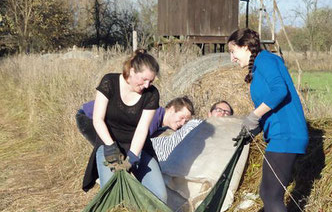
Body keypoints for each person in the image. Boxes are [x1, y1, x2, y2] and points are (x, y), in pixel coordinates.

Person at [227, 28, 309, 212]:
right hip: (279, 134)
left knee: (271, 193)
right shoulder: (256, 69)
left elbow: (279, 91)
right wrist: (254, 129)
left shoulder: (266, 59)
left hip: (287, 134)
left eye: (233, 51)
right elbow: (270, 107)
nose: (231, 58)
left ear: (245, 46)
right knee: (268, 192)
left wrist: (254, 115)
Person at [82, 49, 168, 203]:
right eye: (144, 79)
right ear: (132, 71)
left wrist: (133, 158)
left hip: (137, 147)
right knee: (112, 194)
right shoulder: (109, 82)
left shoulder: (151, 94)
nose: (147, 85)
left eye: (151, 81)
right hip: (109, 145)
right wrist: (110, 147)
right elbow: (98, 119)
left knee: (159, 196)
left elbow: (142, 129)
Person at [76, 96, 194, 145]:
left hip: (96, 118)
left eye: (186, 121)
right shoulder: (152, 118)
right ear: (172, 109)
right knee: (108, 152)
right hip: (89, 117)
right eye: (182, 117)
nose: (183, 123)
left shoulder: (159, 123)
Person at [152, 100, 234, 162]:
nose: (222, 113)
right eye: (219, 110)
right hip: (154, 152)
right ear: (209, 114)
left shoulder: (227, 140)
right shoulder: (196, 123)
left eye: (227, 113)